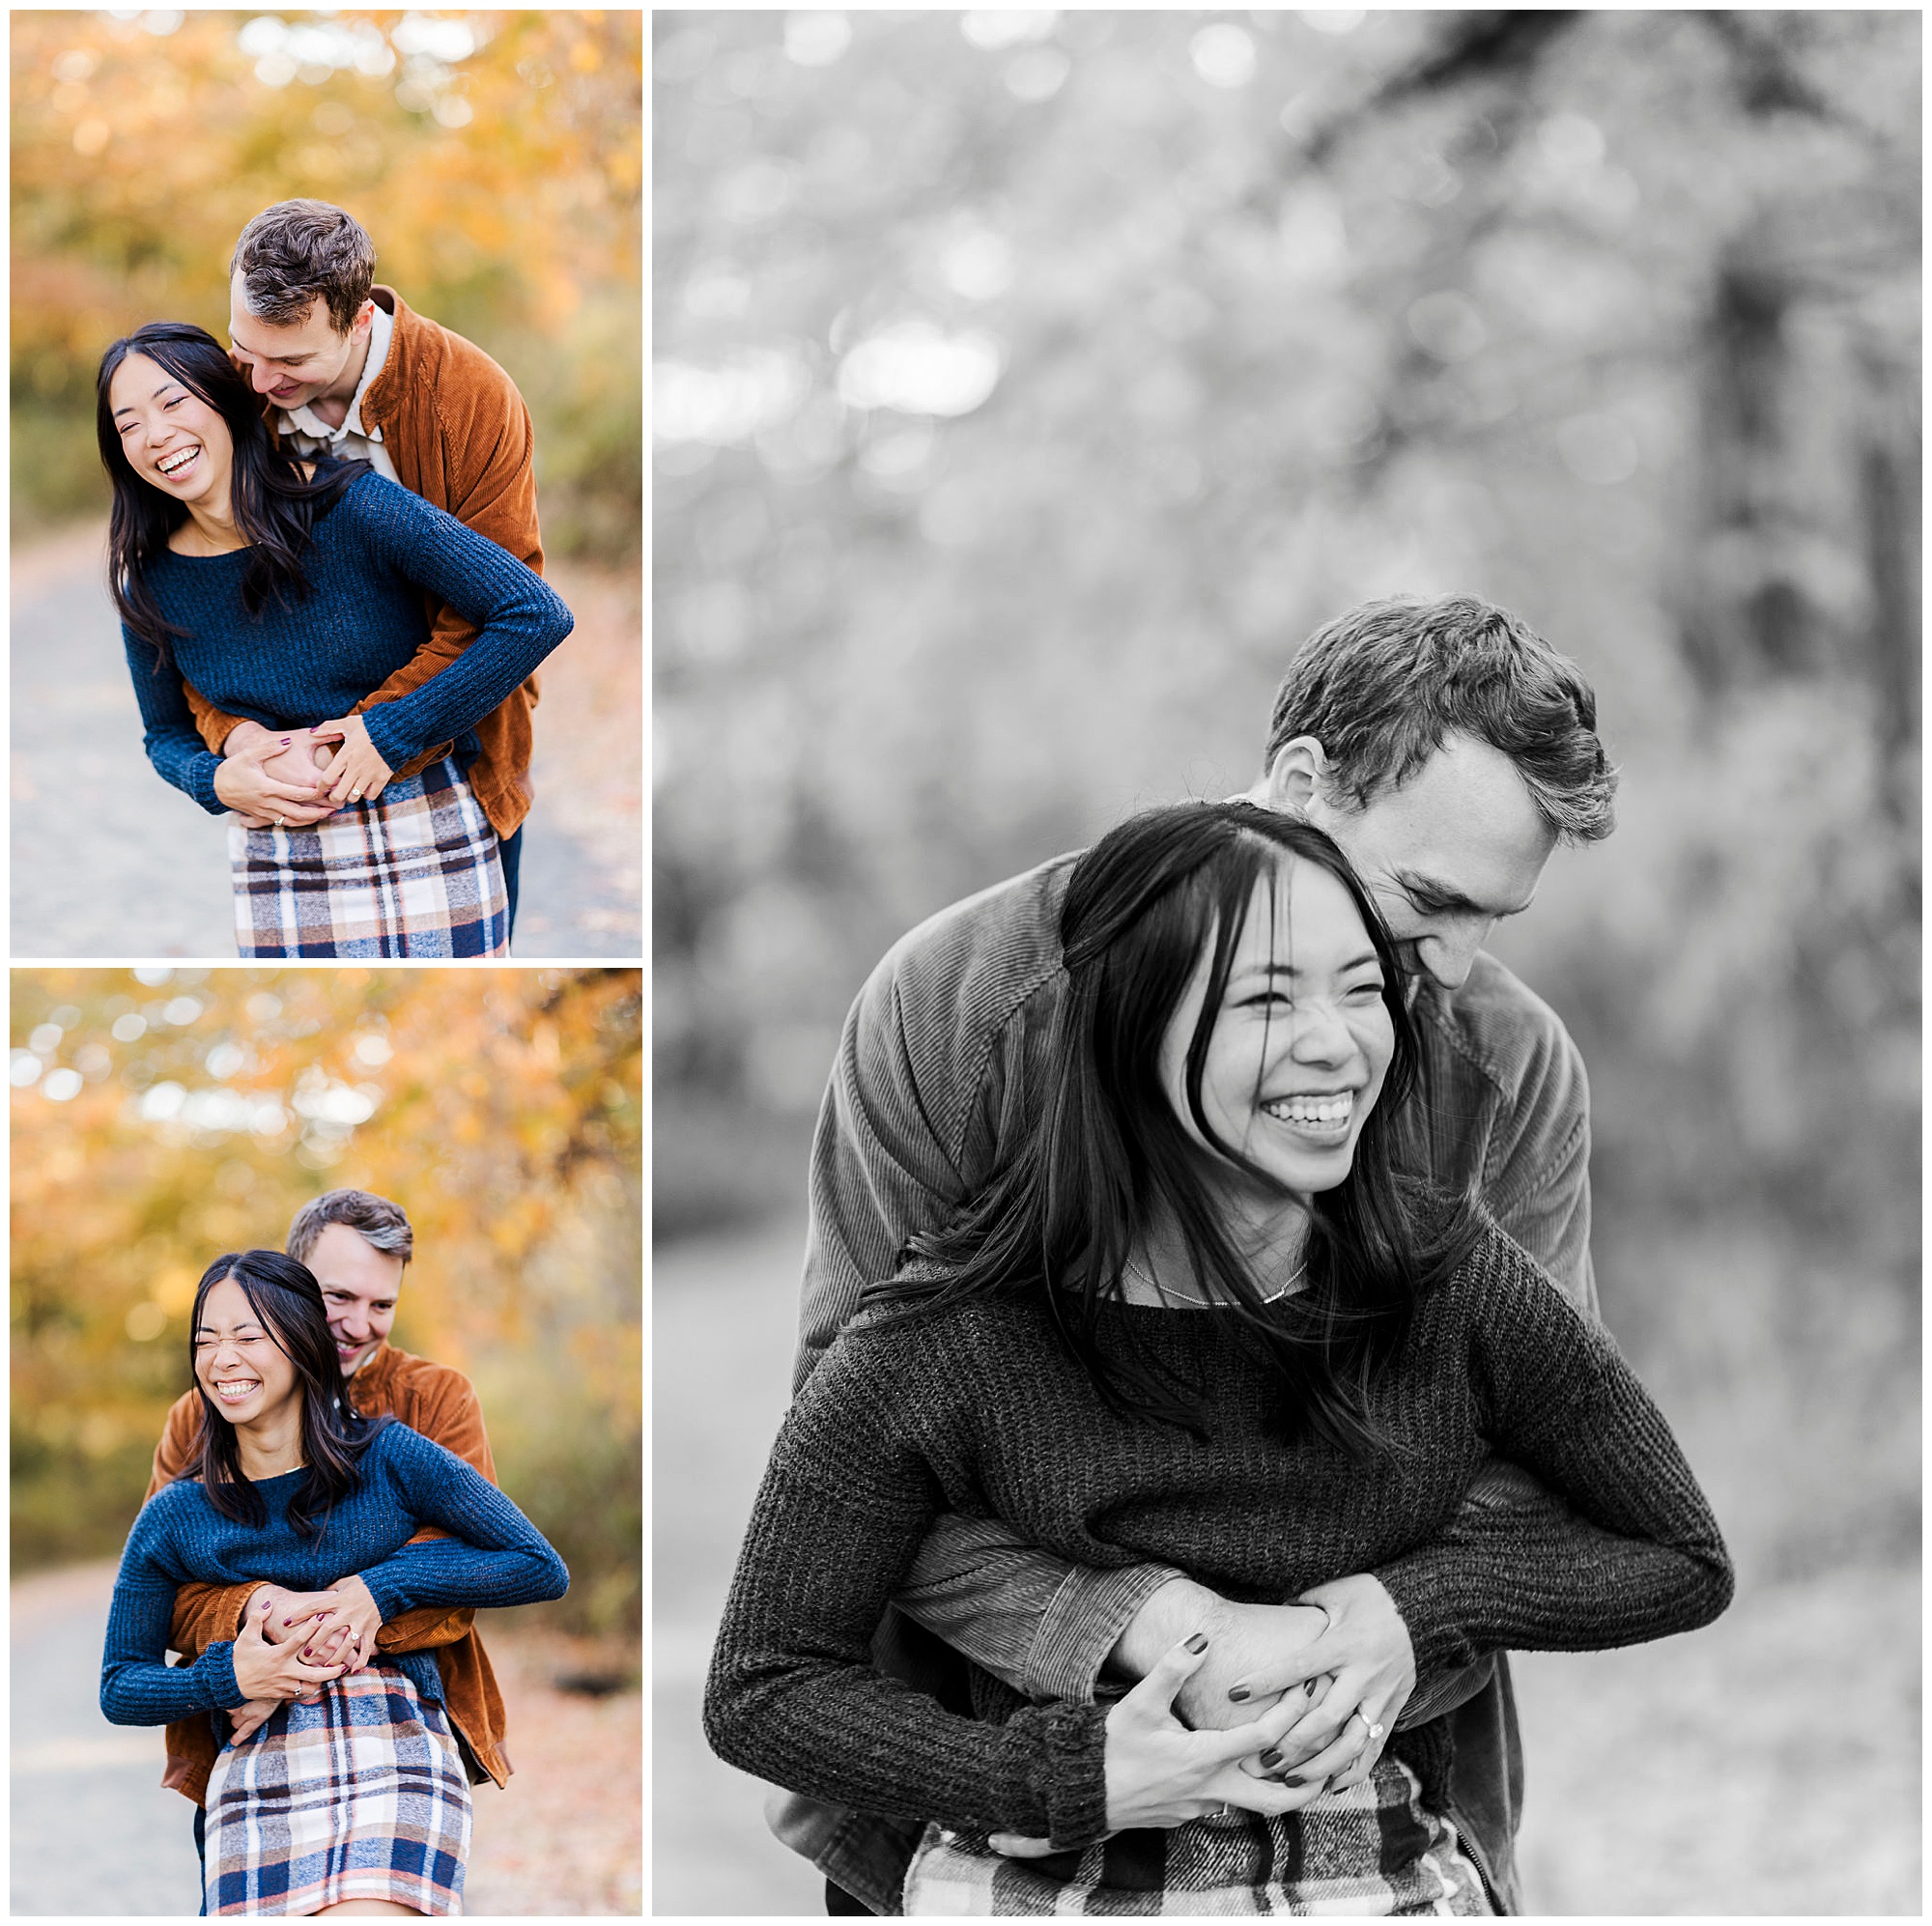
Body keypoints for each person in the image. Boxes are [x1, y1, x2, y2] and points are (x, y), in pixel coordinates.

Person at [708, 801, 1731, 1915]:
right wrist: (1061, 1773)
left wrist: (1414, 1605)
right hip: (1043, 1873)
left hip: (1376, 1867)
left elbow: (1677, 1550)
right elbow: (761, 1682)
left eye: (1359, 988)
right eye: (1264, 999)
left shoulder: (1444, 1282)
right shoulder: (945, 1338)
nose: (1336, 1040)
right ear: (1128, 1030)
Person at [103, 1249, 569, 1916]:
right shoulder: (176, 1513)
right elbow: (120, 1685)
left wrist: (382, 1589)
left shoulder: (390, 1455)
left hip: (396, 1736)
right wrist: (230, 1678)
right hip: (255, 1751)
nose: (222, 1358)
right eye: (206, 1340)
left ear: (302, 1345)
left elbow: (537, 1564)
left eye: (247, 1337)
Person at [101, 320, 572, 957]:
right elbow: (165, 736)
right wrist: (214, 781)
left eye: (173, 401)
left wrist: (391, 733)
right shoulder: (149, 584)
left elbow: (533, 611)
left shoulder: (353, 506)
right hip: (280, 856)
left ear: (226, 398)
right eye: (128, 424)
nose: (156, 436)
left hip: (426, 822)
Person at [183, 199, 552, 937]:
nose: (257, 381)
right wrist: (233, 739)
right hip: (298, 774)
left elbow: (505, 612)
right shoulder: (233, 395)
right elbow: (196, 591)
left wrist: (382, 730)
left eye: (290, 361)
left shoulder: (469, 397)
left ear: (355, 322)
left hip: (459, 738)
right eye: (243, 348)